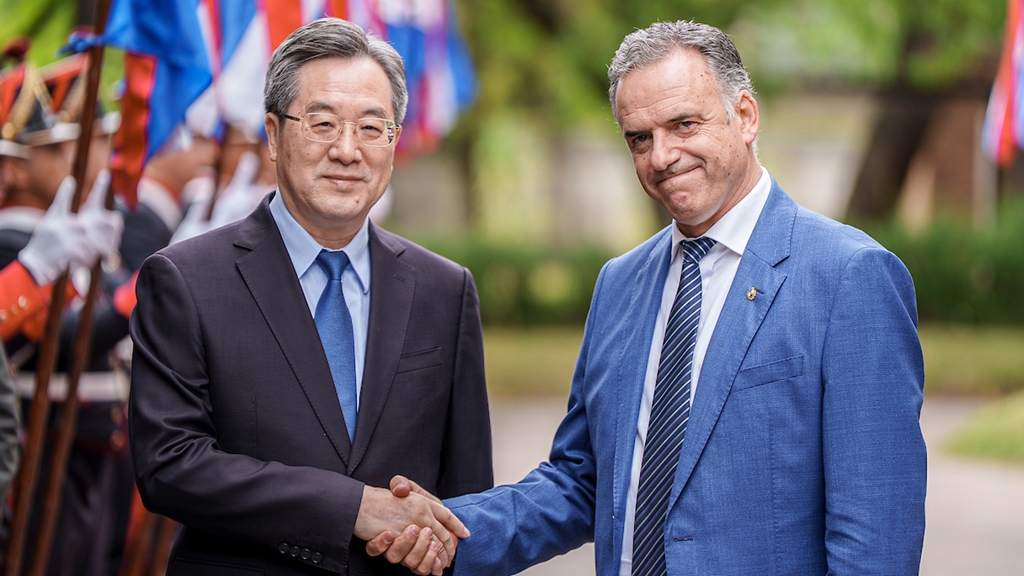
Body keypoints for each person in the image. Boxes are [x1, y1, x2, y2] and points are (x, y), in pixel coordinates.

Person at [373, 20, 927, 576]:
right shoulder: (619, 283)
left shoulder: (849, 277)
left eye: (684, 124)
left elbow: (874, 543)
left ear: (746, 116)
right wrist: (435, 531)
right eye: (640, 138)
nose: (661, 156)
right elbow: (582, 480)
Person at [128, 17, 492, 576]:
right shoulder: (185, 279)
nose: (348, 151)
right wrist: (352, 509)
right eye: (322, 123)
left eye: (373, 128)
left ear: (395, 141)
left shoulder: (445, 289)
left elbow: (468, 496)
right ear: (273, 134)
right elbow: (170, 466)